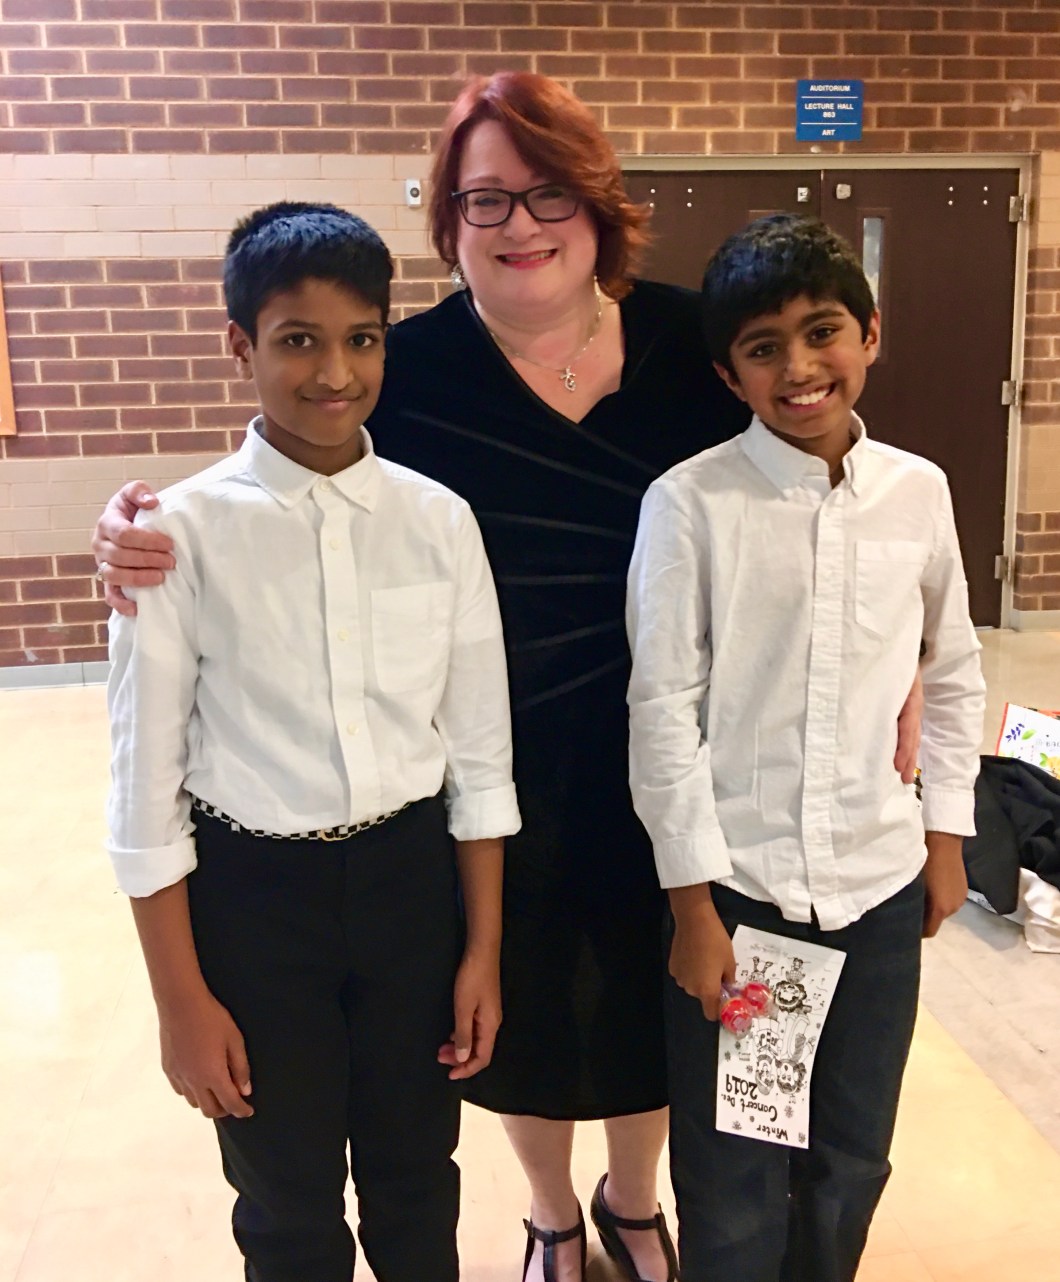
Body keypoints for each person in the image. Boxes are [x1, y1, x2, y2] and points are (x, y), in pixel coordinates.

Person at [92, 75, 919, 1282]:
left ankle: (632, 1202)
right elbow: (291, 479)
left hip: (689, 751)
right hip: (486, 765)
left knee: (657, 1001)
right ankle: (549, 1213)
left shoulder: (693, 344)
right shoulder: (406, 362)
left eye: (548, 194)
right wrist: (134, 531)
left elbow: (825, 483)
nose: (519, 223)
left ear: (597, 205)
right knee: (519, 1014)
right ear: (449, 220)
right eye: (485, 199)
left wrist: (895, 668)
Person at [105, 202, 520, 1282]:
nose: (335, 372)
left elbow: (480, 763)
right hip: (253, 901)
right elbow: (143, 792)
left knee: (418, 1176)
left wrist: (480, 950)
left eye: (361, 339)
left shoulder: (440, 522)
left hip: (410, 891)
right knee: (285, 1197)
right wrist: (181, 1002)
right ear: (240, 345)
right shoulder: (175, 538)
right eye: (298, 339)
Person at [625, 213, 986, 1282]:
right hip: (746, 907)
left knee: (851, 1157)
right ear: (727, 373)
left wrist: (946, 838)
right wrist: (694, 908)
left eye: (822, 332)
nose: (798, 368)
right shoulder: (691, 505)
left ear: (870, 332)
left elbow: (951, 669)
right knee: (737, 1172)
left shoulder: (917, 493)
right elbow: (662, 711)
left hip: (877, 894)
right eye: (762, 347)